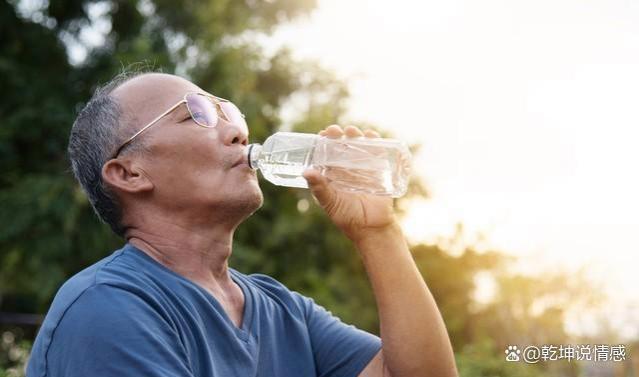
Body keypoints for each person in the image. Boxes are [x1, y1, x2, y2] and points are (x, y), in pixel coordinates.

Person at [26, 72, 458, 377]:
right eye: (195, 114)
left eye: (228, 112)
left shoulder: (284, 311)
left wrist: (378, 234)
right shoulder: (108, 308)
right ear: (129, 173)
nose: (237, 132)